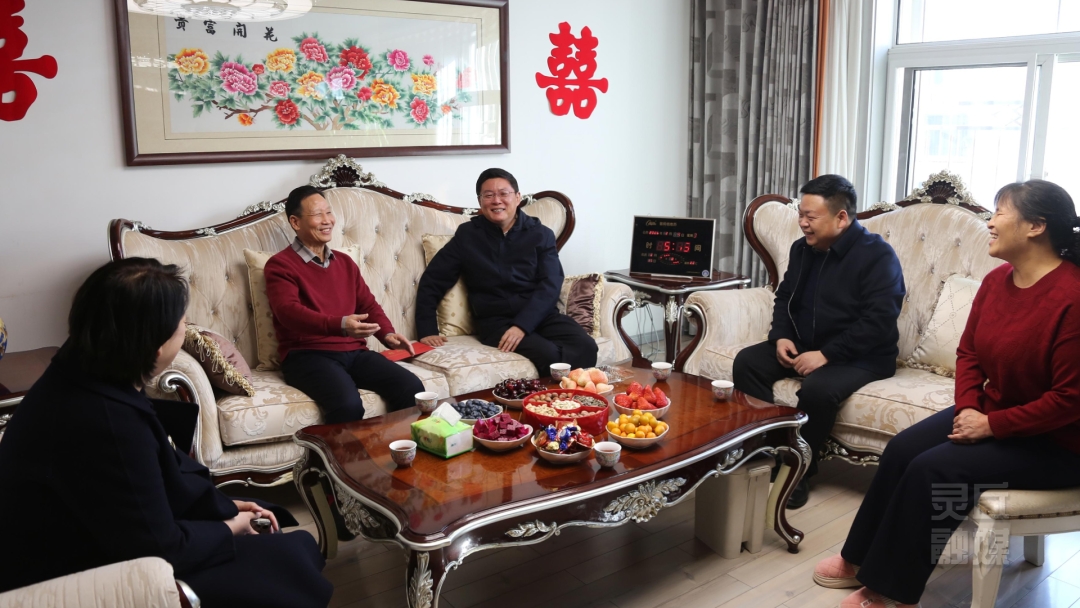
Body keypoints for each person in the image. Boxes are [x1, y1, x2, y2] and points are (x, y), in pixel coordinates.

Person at [0, 258, 333, 607]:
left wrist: (223, 509)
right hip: (84, 576)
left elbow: (133, 494)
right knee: (289, 554)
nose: (186, 330)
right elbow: (159, 547)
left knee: (267, 521)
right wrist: (231, 526)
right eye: (182, 325)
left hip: (100, 533)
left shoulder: (83, 366)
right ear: (157, 347)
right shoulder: (107, 424)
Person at [813, 180, 1080, 608]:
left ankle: (892, 591)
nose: (990, 222)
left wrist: (991, 425)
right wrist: (970, 408)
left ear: (1036, 226)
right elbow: (968, 353)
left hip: (1058, 442)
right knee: (902, 449)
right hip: (996, 411)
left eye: (1000, 213)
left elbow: (1069, 400)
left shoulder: (1073, 298)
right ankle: (858, 557)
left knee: (934, 469)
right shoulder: (996, 281)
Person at [732, 174, 905, 509]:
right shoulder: (802, 250)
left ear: (841, 218)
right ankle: (765, 452)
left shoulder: (877, 255)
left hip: (862, 356)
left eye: (810, 217)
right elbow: (785, 297)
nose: (802, 223)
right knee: (748, 362)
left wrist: (826, 354)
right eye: (801, 215)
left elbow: (879, 321)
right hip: (805, 344)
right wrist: (781, 335)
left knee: (818, 390)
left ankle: (798, 471)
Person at [266, 185, 425, 423]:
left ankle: (397, 444)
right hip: (307, 357)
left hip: (355, 352)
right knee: (347, 405)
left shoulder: (345, 262)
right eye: (317, 214)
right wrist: (341, 325)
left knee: (411, 388)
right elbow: (288, 312)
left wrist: (387, 334)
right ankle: (341, 451)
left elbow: (368, 305)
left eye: (329, 212)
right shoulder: (280, 265)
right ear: (295, 222)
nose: (327, 220)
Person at [415, 168, 598, 373]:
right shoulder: (468, 235)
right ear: (480, 201)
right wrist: (426, 329)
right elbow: (434, 279)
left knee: (586, 346)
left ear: (518, 197)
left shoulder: (540, 234)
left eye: (504, 193)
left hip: (540, 315)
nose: (496, 201)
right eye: (488, 195)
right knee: (548, 354)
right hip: (496, 322)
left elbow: (550, 284)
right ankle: (555, 393)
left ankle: (576, 391)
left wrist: (522, 325)